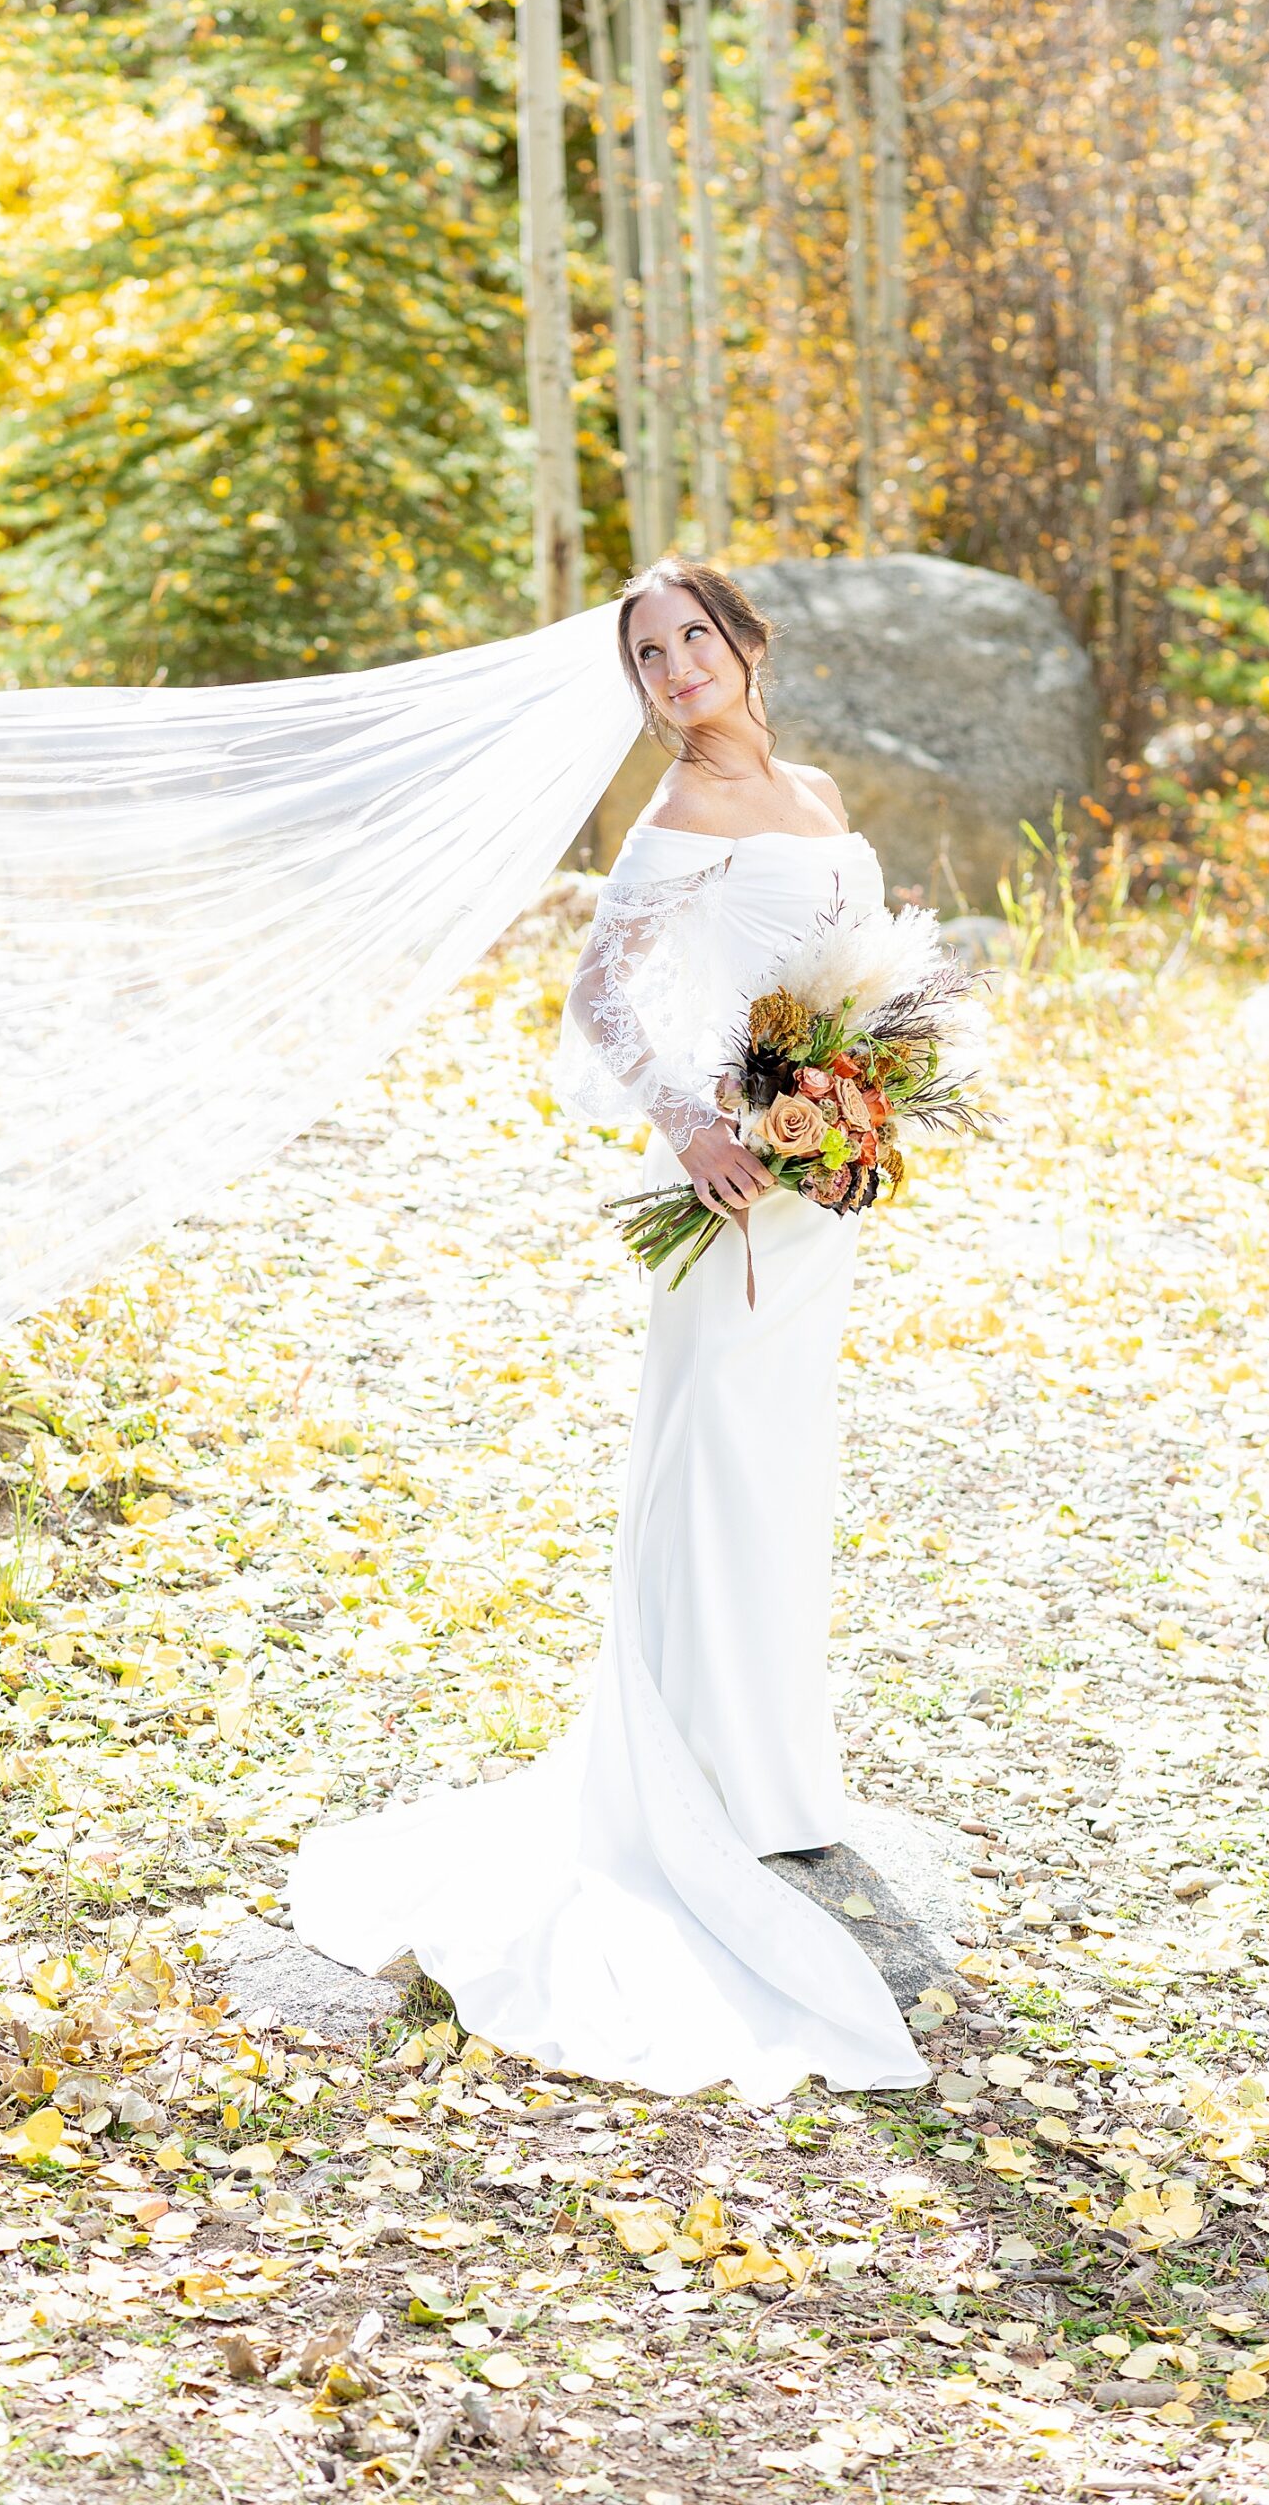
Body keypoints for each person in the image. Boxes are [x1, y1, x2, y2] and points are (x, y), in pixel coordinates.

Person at [287, 557, 927, 2101]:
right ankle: (689, 1775)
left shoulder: (815, 791)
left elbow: (849, 986)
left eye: (694, 634)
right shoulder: (677, 812)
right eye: (649, 654)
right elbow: (603, 992)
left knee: (785, 1465)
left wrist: (861, 1112)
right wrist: (697, 1124)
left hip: (814, 1191)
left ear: (744, 641)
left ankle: (773, 1775)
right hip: (730, 1182)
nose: (678, 665)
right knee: (712, 1453)